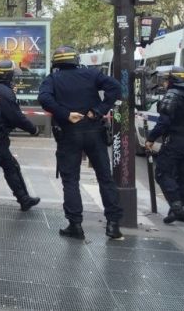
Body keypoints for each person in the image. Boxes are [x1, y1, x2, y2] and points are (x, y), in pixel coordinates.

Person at [39, 45, 124, 240]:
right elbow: (115, 88)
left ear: (56, 63)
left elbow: (44, 98)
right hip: (94, 130)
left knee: (71, 180)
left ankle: (75, 224)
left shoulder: (52, 79)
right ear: (76, 60)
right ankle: (113, 224)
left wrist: (66, 114)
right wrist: (99, 110)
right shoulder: (91, 74)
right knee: (105, 177)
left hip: (69, 133)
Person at [0, 60, 41, 213]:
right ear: (7, 75)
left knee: (11, 167)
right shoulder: (5, 92)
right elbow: (16, 117)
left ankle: (24, 199)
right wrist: (33, 129)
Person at [145, 66, 184, 224]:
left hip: (174, 142)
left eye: (167, 79)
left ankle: (178, 208)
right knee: (183, 177)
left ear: (173, 80)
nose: (165, 83)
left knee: (163, 174)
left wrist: (151, 138)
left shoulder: (173, 95)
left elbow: (164, 122)